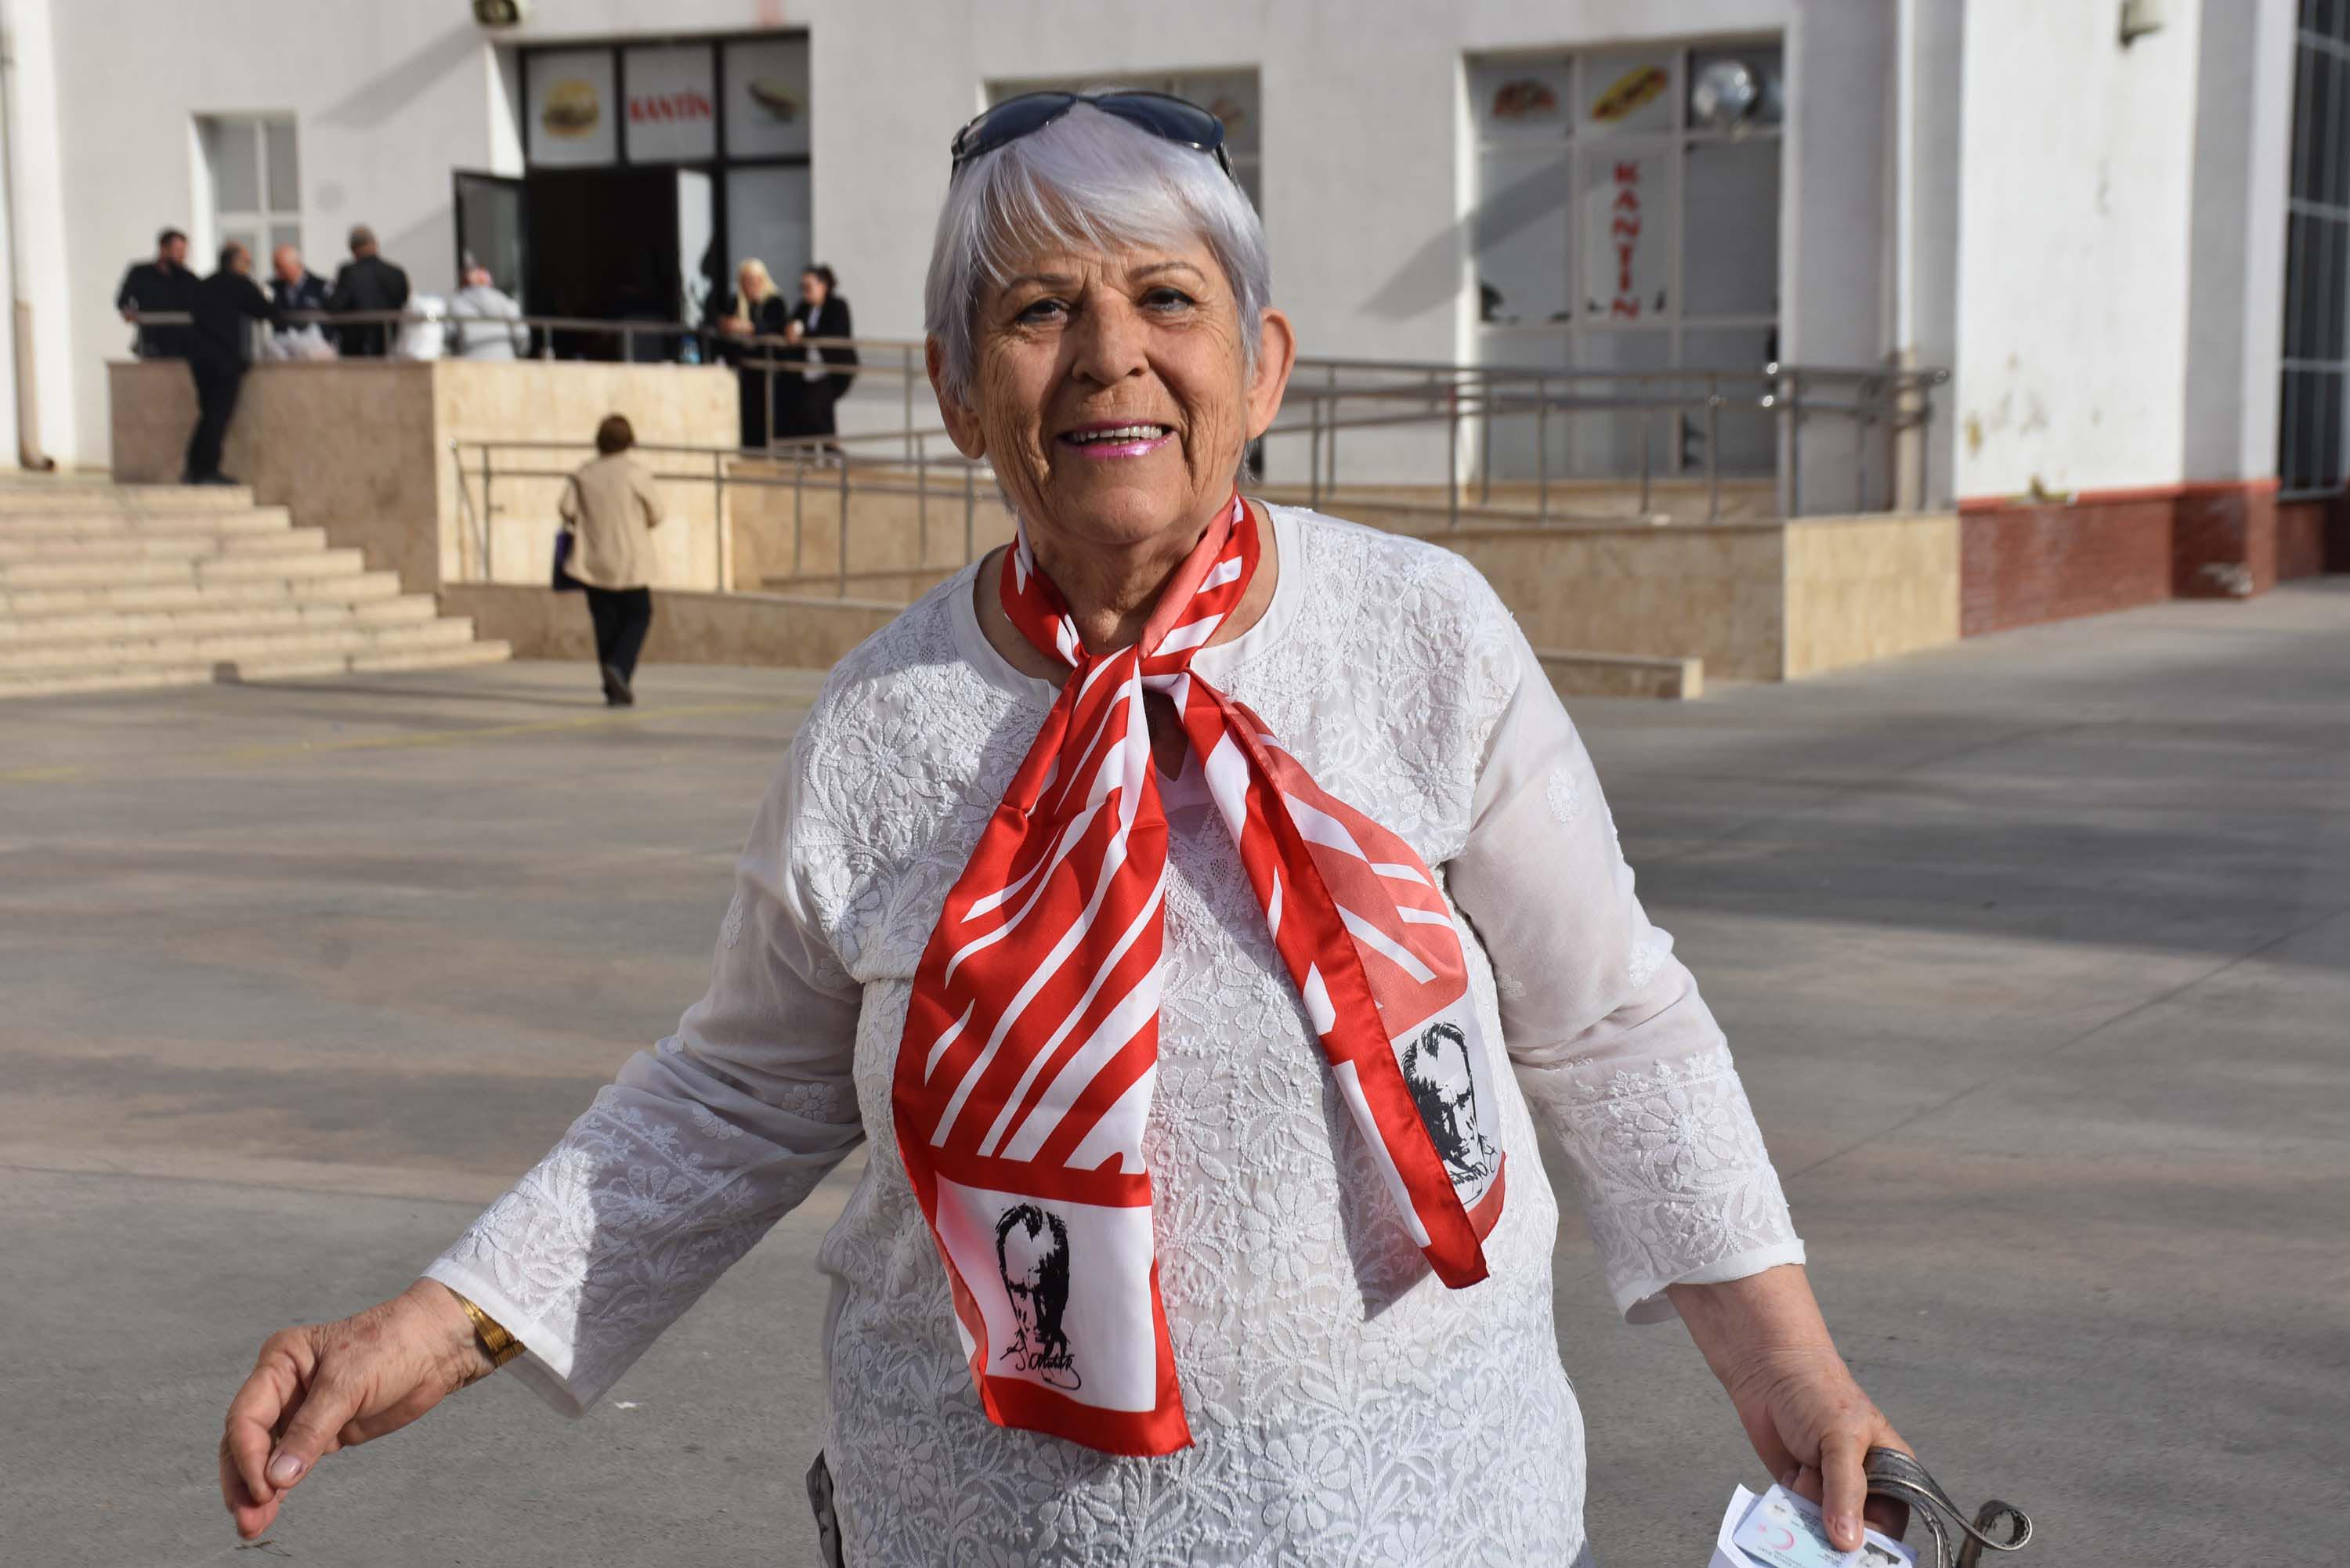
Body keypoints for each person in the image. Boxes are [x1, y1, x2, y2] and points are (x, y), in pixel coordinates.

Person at [216, 96, 1916, 1567]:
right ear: (959, 392)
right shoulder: (879, 727)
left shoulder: (1424, 636)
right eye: (1040, 308)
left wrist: (1799, 1383)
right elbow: (731, 1091)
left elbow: (1613, 1022)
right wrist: (441, 1323)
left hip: (1425, 1509)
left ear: (1262, 367)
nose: (1112, 354)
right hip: (977, 1521)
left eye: (1168, 297)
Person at [553, 414, 663, 706]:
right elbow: (657, 513)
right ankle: (620, 669)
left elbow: (566, 509)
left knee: (605, 623)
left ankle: (612, 686)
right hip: (630, 561)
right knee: (639, 614)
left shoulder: (584, 473)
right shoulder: (635, 474)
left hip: (593, 560)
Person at [183, 242, 280, 485]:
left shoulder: (204, 285)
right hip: (225, 361)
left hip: (199, 360)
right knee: (217, 417)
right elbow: (266, 311)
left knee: (208, 414)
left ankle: (194, 468)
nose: (249, 267)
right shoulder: (240, 284)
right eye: (247, 262)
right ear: (236, 263)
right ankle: (206, 471)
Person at [775, 262, 859, 442]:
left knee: (813, 409)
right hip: (809, 373)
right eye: (802, 287)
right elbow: (789, 323)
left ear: (823, 285)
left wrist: (805, 332)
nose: (805, 292)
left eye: (808, 286)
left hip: (832, 371)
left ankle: (829, 451)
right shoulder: (804, 308)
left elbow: (836, 335)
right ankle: (821, 453)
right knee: (808, 411)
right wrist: (790, 329)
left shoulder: (837, 306)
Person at [710, 258, 787, 449]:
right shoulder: (736, 301)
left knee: (766, 414)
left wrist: (745, 327)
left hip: (766, 370)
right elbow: (720, 322)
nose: (750, 285)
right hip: (743, 369)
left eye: (754, 280)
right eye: (745, 281)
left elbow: (775, 326)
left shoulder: (775, 302)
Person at [327, 224, 410, 358]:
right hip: (390, 342)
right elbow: (404, 300)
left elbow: (337, 305)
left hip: (357, 346)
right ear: (375, 244)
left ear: (353, 249)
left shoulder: (349, 272)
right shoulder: (396, 272)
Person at [115, 226, 196, 359]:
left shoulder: (188, 279)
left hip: (182, 345)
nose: (182, 255)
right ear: (163, 249)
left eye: (184, 251)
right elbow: (124, 299)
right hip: (151, 342)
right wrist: (128, 311)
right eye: (178, 250)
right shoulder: (141, 274)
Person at [265, 244, 335, 360]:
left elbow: (332, 316)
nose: (277, 272)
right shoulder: (273, 288)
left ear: (296, 265)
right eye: (276, 267)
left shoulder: (320, 286)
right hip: (285, 351)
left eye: (281, 267)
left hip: (316, 351)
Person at [448, 262, 526, 360]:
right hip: (504, 362)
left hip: (469, 363)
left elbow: (450, 337)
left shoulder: (456, 303)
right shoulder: (505, 301)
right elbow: (521, 336)